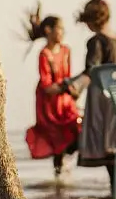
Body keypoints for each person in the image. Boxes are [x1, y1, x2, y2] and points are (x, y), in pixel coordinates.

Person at [70, 0, 116, 199]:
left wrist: (71, 86)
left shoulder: (96, 41)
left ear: (91, 21)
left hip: (103, 98)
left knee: (106, 144)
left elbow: (92, 69)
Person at [23, 9, 81, 178]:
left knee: (76, 128)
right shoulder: (44, 54)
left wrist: (72, 91)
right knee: (56, 137)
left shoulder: (66, 50)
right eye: (59, 28)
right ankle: (59, 174)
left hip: (65, 99)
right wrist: (67, 87)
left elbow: (68, 76)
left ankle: (64, 165)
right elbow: (47, 84)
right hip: (48, 102)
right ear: (49, 30)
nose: (62, 32)